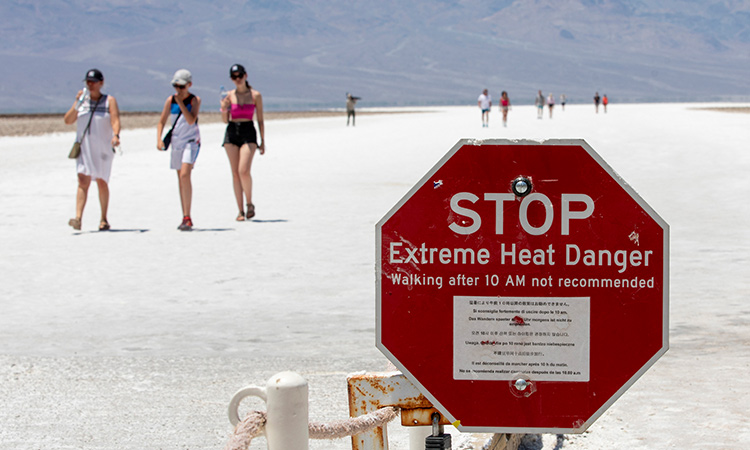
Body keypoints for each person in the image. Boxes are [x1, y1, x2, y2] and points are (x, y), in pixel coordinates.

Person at [63, 68, 121, 231]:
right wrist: (77, 103)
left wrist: (116, 135)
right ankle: (78, 218)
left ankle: (103, 218)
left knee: (102, 181)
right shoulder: (82, 101)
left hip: (102, 148)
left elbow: (115, 119)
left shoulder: (109, 101)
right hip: (84, 147)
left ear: (101, 83)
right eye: (88, 82)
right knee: (83, 180)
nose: (90, 85)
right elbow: (68, 120)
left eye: (93, 82)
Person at [157, 69, 201, 231]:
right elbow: (161, 122)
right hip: (176, 143)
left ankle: (188, 216)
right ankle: (185, 215)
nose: (178, 90)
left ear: (189, 85)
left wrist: (182, 102)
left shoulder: (194, 100)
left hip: (191, 141)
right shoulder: (170, 100)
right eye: (176, 86)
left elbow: (191, 120)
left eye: (181, 86)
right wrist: (159, 139)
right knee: (180, 178)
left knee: (185, 174)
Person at [220, 64, 265, 221]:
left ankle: (249, 203)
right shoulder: (229, 96)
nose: (237, 79)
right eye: (234, 77)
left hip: (248, 131)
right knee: (235, 173)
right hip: (232, 132)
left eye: (240, 76)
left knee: (243, 170)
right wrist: (224, 108)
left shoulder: (255, 95)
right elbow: (225, 121)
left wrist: (263, 140)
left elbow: (260, 119)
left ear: (246, 76)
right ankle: (240, 210)